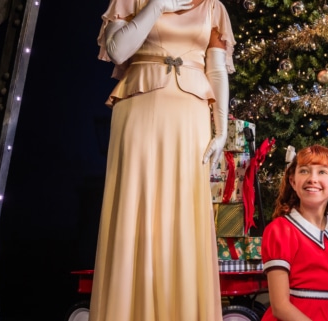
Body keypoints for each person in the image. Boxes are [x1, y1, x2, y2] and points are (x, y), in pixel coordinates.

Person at [90, 0, 235, 320]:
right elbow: (118, 51)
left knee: (184, 211)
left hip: (191, 117)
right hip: (140, 109)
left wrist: (221, 128)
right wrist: (156, 6)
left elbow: (216, 68)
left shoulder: (212, 7)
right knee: (134, 204)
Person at [261, 145, 328, 321]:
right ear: (293, 182)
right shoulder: (280, 230)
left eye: (322, 172)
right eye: (304, 171)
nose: (312, 178)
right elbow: (280, 306)